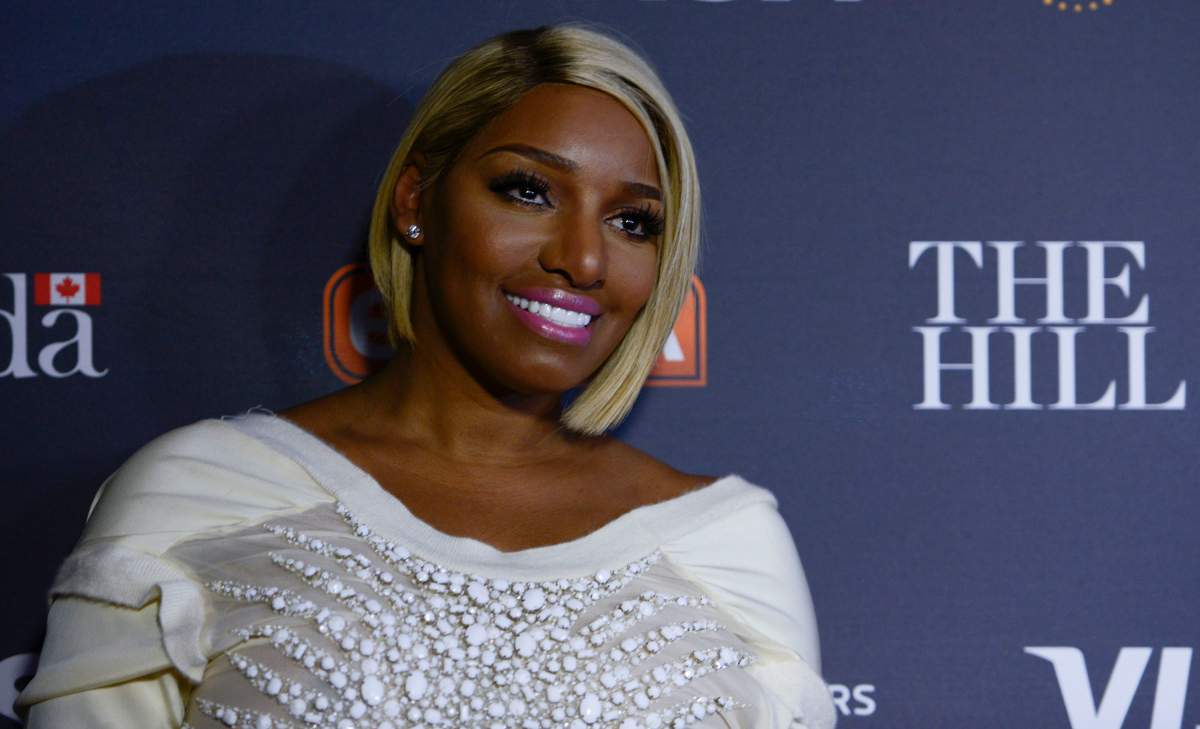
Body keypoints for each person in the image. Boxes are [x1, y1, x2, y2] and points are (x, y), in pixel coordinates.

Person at [16, 23, 837, 729]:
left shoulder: (727, 547)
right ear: (417, 200)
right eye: (529, 190)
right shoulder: (202, 494)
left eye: (631, 221)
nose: (582, 257)